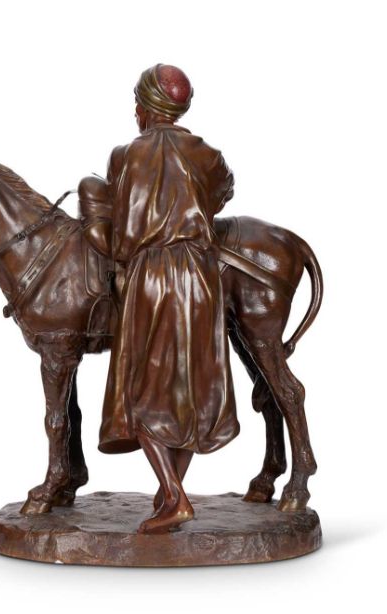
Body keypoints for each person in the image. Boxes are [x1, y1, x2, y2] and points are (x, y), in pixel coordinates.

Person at [79, 64, 240, 534]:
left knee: (140, 388)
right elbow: (223, 191)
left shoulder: (125, 156)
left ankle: (173, 496)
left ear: (148, 107)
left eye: (138, 103)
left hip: (151, 275)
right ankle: (172, 488)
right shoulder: (208, 154)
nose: (136, 111)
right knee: (194, 385)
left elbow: (113, 226)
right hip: (201, 274)